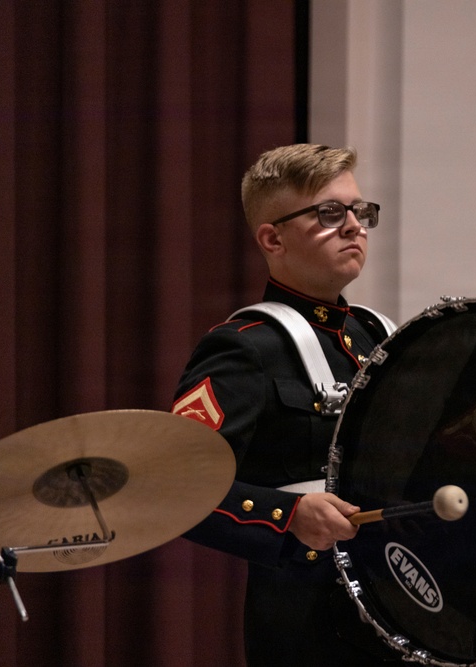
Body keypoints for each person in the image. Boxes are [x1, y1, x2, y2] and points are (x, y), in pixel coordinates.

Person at [172, 144, 399, 666]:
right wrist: (288, 514)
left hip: (402, 607)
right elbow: (175, 486)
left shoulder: (375, 338)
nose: (354, 227)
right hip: (311, 626)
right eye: (328, 213)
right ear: (273, 238)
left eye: (360, 212)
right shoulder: (246, 346)